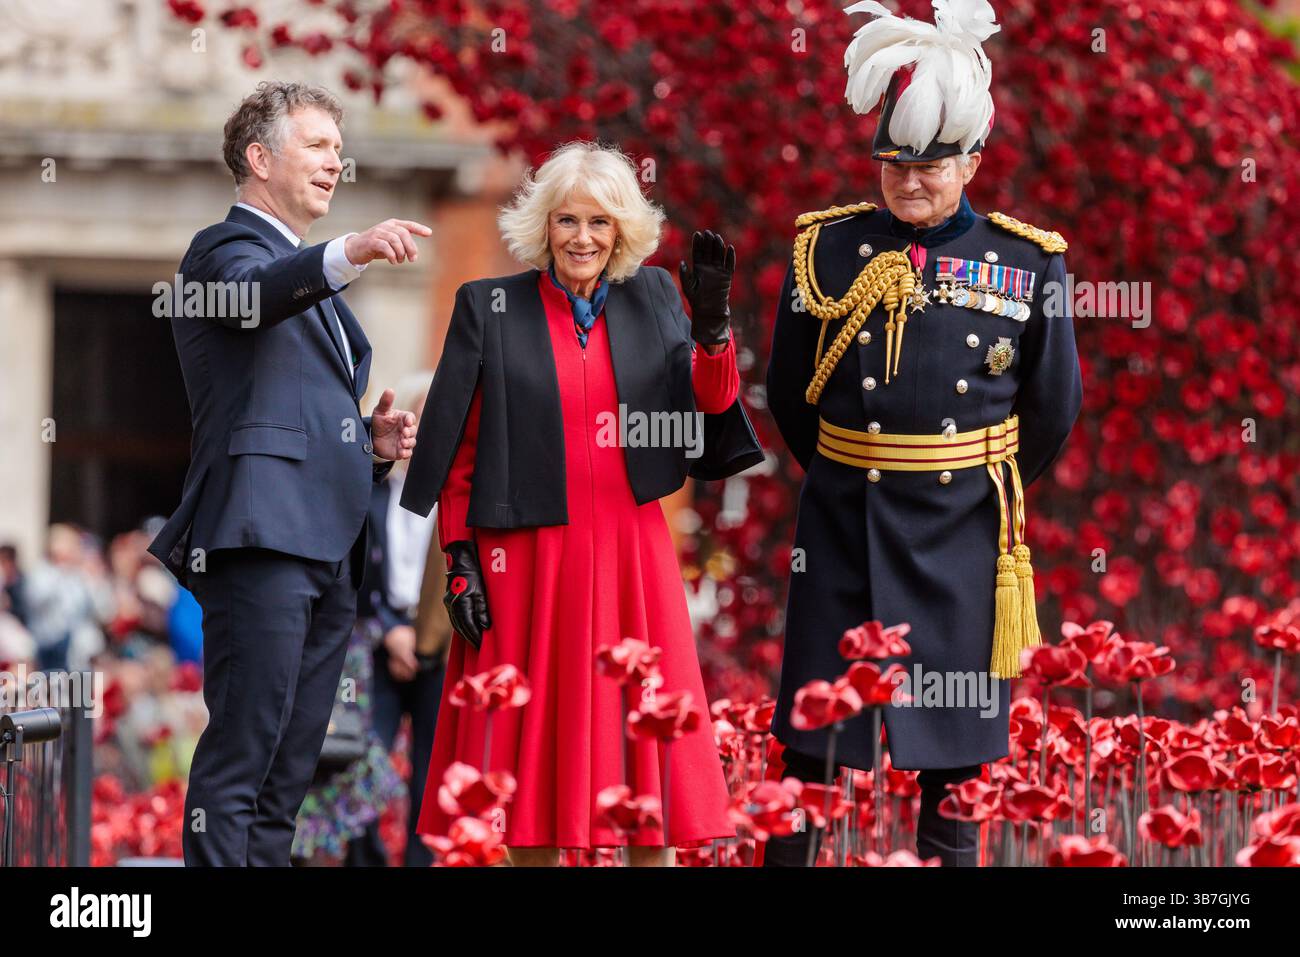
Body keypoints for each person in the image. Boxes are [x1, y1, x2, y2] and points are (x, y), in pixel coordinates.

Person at [763, 0, 1082, 866]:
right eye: (895, 163)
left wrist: (966, 473)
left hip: (962, 535)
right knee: (812, 755)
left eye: (933, 165)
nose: (910, 179)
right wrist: (859, 467)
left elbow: (1051, 411)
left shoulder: (1027, 260)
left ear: (972, 161)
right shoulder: (822, 251)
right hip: (842, 527)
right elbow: (791, 398)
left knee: (958, 768)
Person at [400, 140, 764, 866]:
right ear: (544, 226)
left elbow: (708, 403)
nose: (583, 238)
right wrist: (462, 560)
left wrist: (714, 326)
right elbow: (459, 454)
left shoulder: (657, 298)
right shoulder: (489, 307)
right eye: (567, 220)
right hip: (527, 562)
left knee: (645, 767)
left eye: (599, 222)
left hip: (632, 555)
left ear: (622, 230)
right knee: (527, 778)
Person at [146, 80, 423, 866]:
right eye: (318, 145)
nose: (337, 162)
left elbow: (292, 407)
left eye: (341, 149)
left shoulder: (309, 284)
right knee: (244, 758)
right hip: (260, 538)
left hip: (329, 550)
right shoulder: (223, 250)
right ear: (260, 158)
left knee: (287, 776)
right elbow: (247, 302)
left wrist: (367, 444)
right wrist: (349, 252)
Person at [346, 370, 450, 868]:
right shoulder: (373, 489)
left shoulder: (458, 492)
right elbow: (353, 567)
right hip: (376, 644)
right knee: (365, 763)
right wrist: (391, 631)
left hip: (441, 646)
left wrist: (424, 638)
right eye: (422, 408)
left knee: (432, 778)